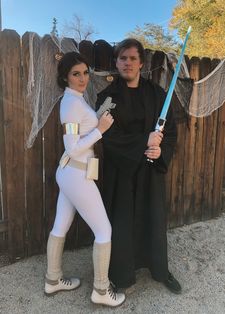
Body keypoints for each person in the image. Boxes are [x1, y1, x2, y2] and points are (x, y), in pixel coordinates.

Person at [96, 39, 182, 294]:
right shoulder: (107, 98)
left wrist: (159, 149)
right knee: (121, 222)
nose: (127, 63)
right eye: (122, 58)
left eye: (133, 58)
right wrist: (144, 139)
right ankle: (121, 274)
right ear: (116, 63)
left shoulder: (157, 94)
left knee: (153, 219)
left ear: (141, 63)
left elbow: (171, 132)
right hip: (122, 173)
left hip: (149, 171)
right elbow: (106, 137)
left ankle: (159, 269)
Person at [44, 51, 125, 307]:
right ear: (65, 77)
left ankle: (52, 280)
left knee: (60, 226)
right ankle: (101, 290)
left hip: (72, 172)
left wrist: (98, 118)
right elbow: (72, 147)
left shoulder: (76, 100)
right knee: (104, 231)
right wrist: (100, 130)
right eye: (75, 74)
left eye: (85, 72)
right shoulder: (70, 104)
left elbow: (82, 129)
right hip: (76, 172)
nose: (82, 78)